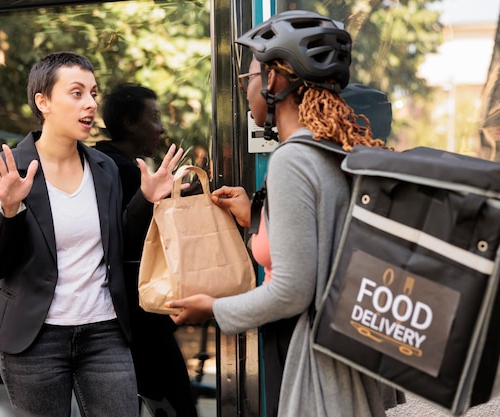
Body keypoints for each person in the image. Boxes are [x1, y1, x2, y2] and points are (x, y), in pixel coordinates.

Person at [166, 11, 393, 416]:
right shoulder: (336, 149)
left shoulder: (292, 160)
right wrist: (257, 217)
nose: (245, 89)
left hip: (311, 357)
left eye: (248, 78)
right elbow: (321, 241)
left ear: (272, 81)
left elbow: (291, 290)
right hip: (347, 353)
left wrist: (213, 309)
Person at [0, 52, 183, 417]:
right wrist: (9, 211)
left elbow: (119, 243)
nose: (90, 104)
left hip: (104, 331)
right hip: (34, 339)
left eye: (93, 93)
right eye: (76, 93)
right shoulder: (8, 169)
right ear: (43, 102)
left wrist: (146, 199)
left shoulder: (103, 168)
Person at [95, 82, 198, 416]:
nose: (162, 127)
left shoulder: (99, 164)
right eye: (153, 117)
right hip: (141, 317)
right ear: (129, 123)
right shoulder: (122, 172)